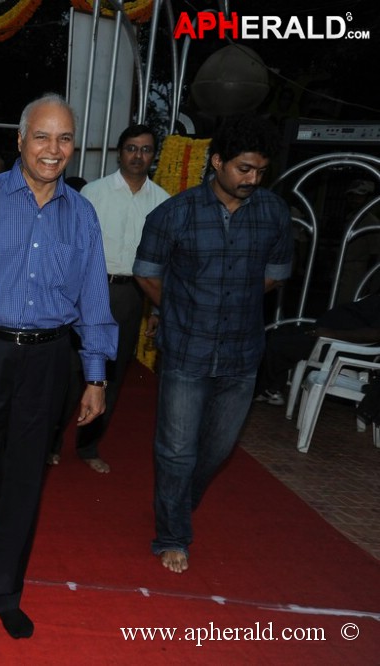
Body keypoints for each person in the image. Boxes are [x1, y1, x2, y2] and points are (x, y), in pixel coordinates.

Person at [0, 93, 117, 639]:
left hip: (48, 359)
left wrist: (95, 375)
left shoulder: (82, 215)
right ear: (20, 140)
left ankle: (1, 587)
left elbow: (94, 298)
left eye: (64, 139)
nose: (52, 150)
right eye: (41, 136)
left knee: (25, 479)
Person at [133, 114, 293, 575]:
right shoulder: (174, 213)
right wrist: (186, 308)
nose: (252, 179)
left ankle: (177, 500)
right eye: (244, 168)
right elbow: (146, 272)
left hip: (242, 353)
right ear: (217, 162)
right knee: (177, 449)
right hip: (186, 348)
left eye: (260, 171)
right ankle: (172, 534)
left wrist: (231, 302)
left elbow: (274, 277)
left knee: (218, 449)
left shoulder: (274, 212)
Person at [51, 125, 170, 473]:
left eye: (146, 149)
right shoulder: (93, 193)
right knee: (73, 372)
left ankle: (88, 447)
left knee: (113, 375)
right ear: (120, 152)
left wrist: (158, 306)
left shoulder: (162, 201)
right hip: (89, 292)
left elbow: (164, 261)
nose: (138, 156)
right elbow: (70, 248)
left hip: (134, 294)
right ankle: (51, 442)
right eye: (132, 148)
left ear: (153, 155)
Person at [255, 292, 380, 404]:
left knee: (281, 344)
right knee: (277, 334)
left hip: (342, 345)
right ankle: (272, 388)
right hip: (333, 337)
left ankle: (261, 389)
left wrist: (331, 333)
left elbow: (374, 334)